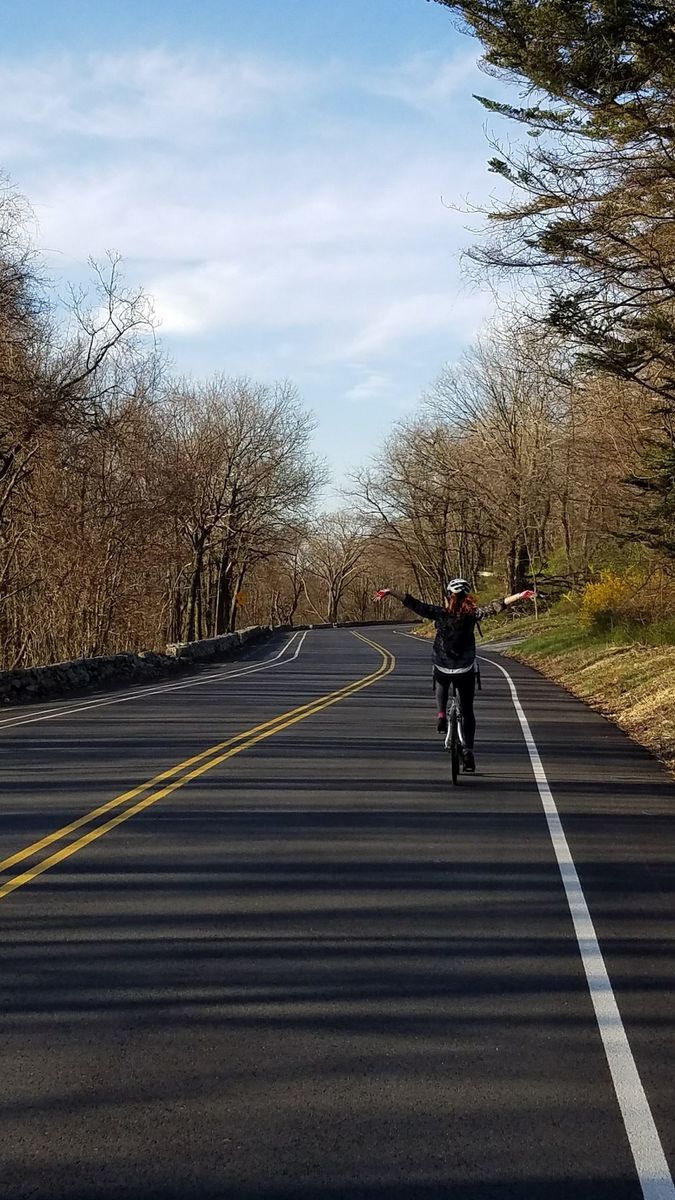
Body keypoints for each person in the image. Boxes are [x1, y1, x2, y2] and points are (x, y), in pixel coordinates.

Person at [374, 579, 535, 771]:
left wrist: (391, 591)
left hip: (442, 665)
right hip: (465, 668)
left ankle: (441, 715)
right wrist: (520, 595)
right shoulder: (472, 614)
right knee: (467, 711)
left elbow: (414, 603)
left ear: (449, 596)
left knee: (439, 677)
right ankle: (468, 751)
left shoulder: (439, 613)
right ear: (467, 597)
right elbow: (496, 606)